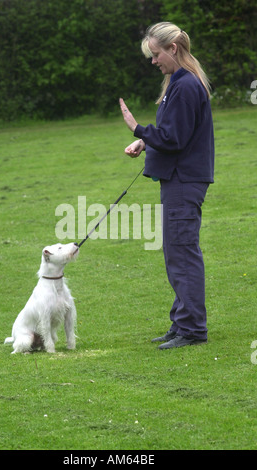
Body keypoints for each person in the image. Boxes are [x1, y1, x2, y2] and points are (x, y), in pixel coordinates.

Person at [119, 22, 214, 349]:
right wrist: (146, 143)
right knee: (177, 253)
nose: (153, 61)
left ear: (172, 48)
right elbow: (176, 132)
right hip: (180, 178)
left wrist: (138, 129)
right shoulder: (180, 82)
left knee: (182, 254)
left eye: (156, 54)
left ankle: (192, 330)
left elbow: (174, 138)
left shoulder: (186, 86)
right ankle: (181, 323)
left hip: (184, 180)